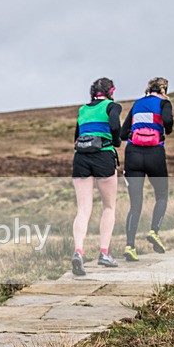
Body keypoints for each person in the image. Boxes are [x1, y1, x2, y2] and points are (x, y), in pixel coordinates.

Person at [71, 77, 122, 276]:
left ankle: (78, 251)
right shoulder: (112, 106)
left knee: (83, 209)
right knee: (109, 206)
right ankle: (104, 253)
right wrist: (116, 141)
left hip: (81, 158)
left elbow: (76, 137)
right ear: (112, 90)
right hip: (103, 156)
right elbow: (115, 126)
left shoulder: (82, 109)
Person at [120, 77, 174, 261]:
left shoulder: (137, 104)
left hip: (133, 154)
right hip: (155, 155)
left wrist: (136, 133)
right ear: (164, 89)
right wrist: (163, 127)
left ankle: (130, 246)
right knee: (162, 195)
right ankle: (154, 231)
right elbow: (168, 124)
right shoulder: (164, 103)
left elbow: (121, 133)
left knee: (135, 203)